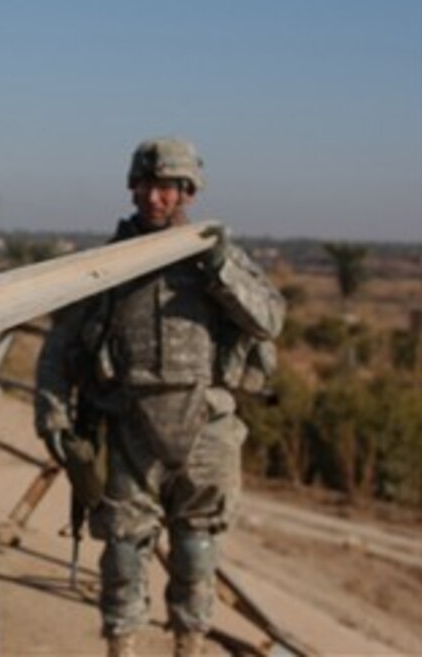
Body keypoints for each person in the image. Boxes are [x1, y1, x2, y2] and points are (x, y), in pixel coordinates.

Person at [34, 137, 284, 657]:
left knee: (196, 551)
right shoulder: (109, 263)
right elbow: (60, 344)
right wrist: (53, 417)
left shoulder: (216, 258)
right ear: (133, 187)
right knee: (124, 555)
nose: (156, 198)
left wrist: (220, 267)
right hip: (126, 426)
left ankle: (188, 645)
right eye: (148, 185)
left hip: (207, 425)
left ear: (188, 191)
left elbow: (269, 319)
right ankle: (121, 646)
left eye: (169, 187)